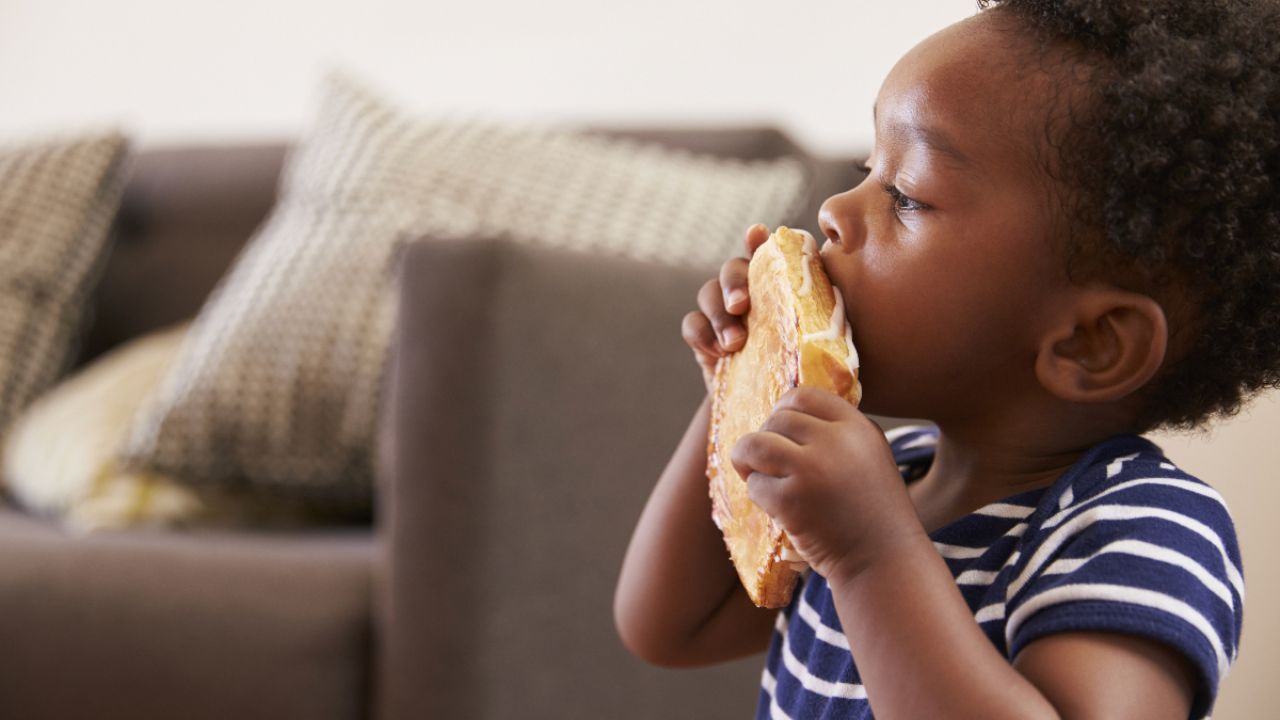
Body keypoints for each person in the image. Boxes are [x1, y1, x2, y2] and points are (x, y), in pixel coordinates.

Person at [614, 0, 1277, 717]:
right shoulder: (888, 476)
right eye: (870, 168)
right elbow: (672, 627)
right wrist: (737, 394)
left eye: (906, 195)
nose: (835, 208)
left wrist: (870, 559)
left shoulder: (1140, 529)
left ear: (1090, 343)